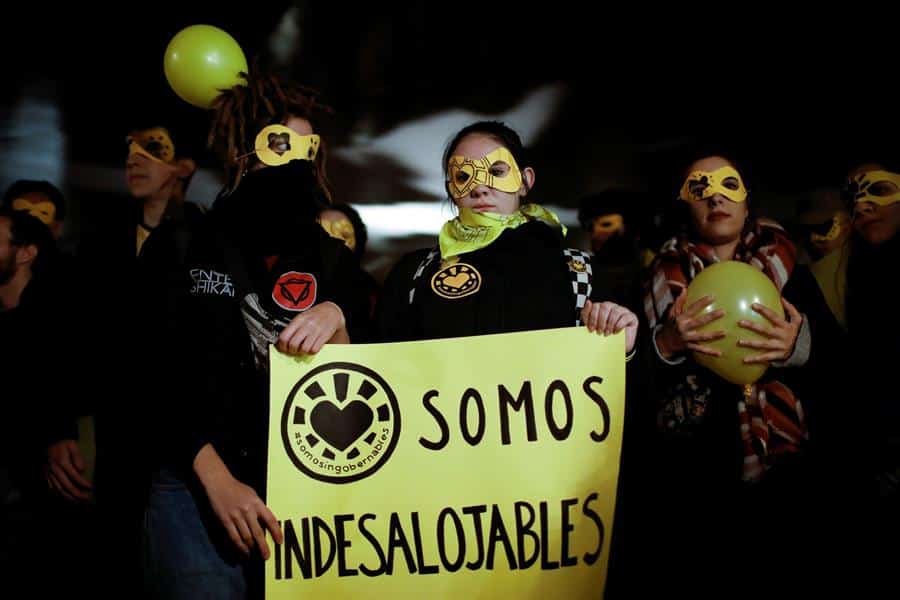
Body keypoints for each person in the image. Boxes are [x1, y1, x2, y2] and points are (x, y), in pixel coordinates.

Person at [142, 70, 371, 600]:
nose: (297, 163)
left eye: (307, 149)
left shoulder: (331, 258)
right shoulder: (181, 246)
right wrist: (218, 483)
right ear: (243, 152)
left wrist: (338, 313)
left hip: (300, 487)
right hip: (193, 486)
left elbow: (374, 361)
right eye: (280, 145)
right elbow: (151, 375)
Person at [640, 154, 842, 595]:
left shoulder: (796, 280)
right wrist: (666, 345)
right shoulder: (660, 281)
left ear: (747, 203)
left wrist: (798, 346)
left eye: (728, 185)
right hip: (698, 490)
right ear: (685, 205)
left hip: (792, 482)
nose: (715, 195)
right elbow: (631, 385)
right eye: (700, 188)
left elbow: (845, 369)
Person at [71, 123, 203, 594]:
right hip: (115, 439)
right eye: (129, 149)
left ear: (184, 166)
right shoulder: (100, 241)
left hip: (185, 444)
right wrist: (59, 426)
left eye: (152, 150)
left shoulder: (206, 239)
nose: (133, 158)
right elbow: (71, 337)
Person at [376, 120, 638, 350]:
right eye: (464, 175)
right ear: (451, 189)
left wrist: (621, 346)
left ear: (525, 181)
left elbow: (622, 388)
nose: (479, 189)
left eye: (496, 172)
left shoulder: (581, 273)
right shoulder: (412, 274)